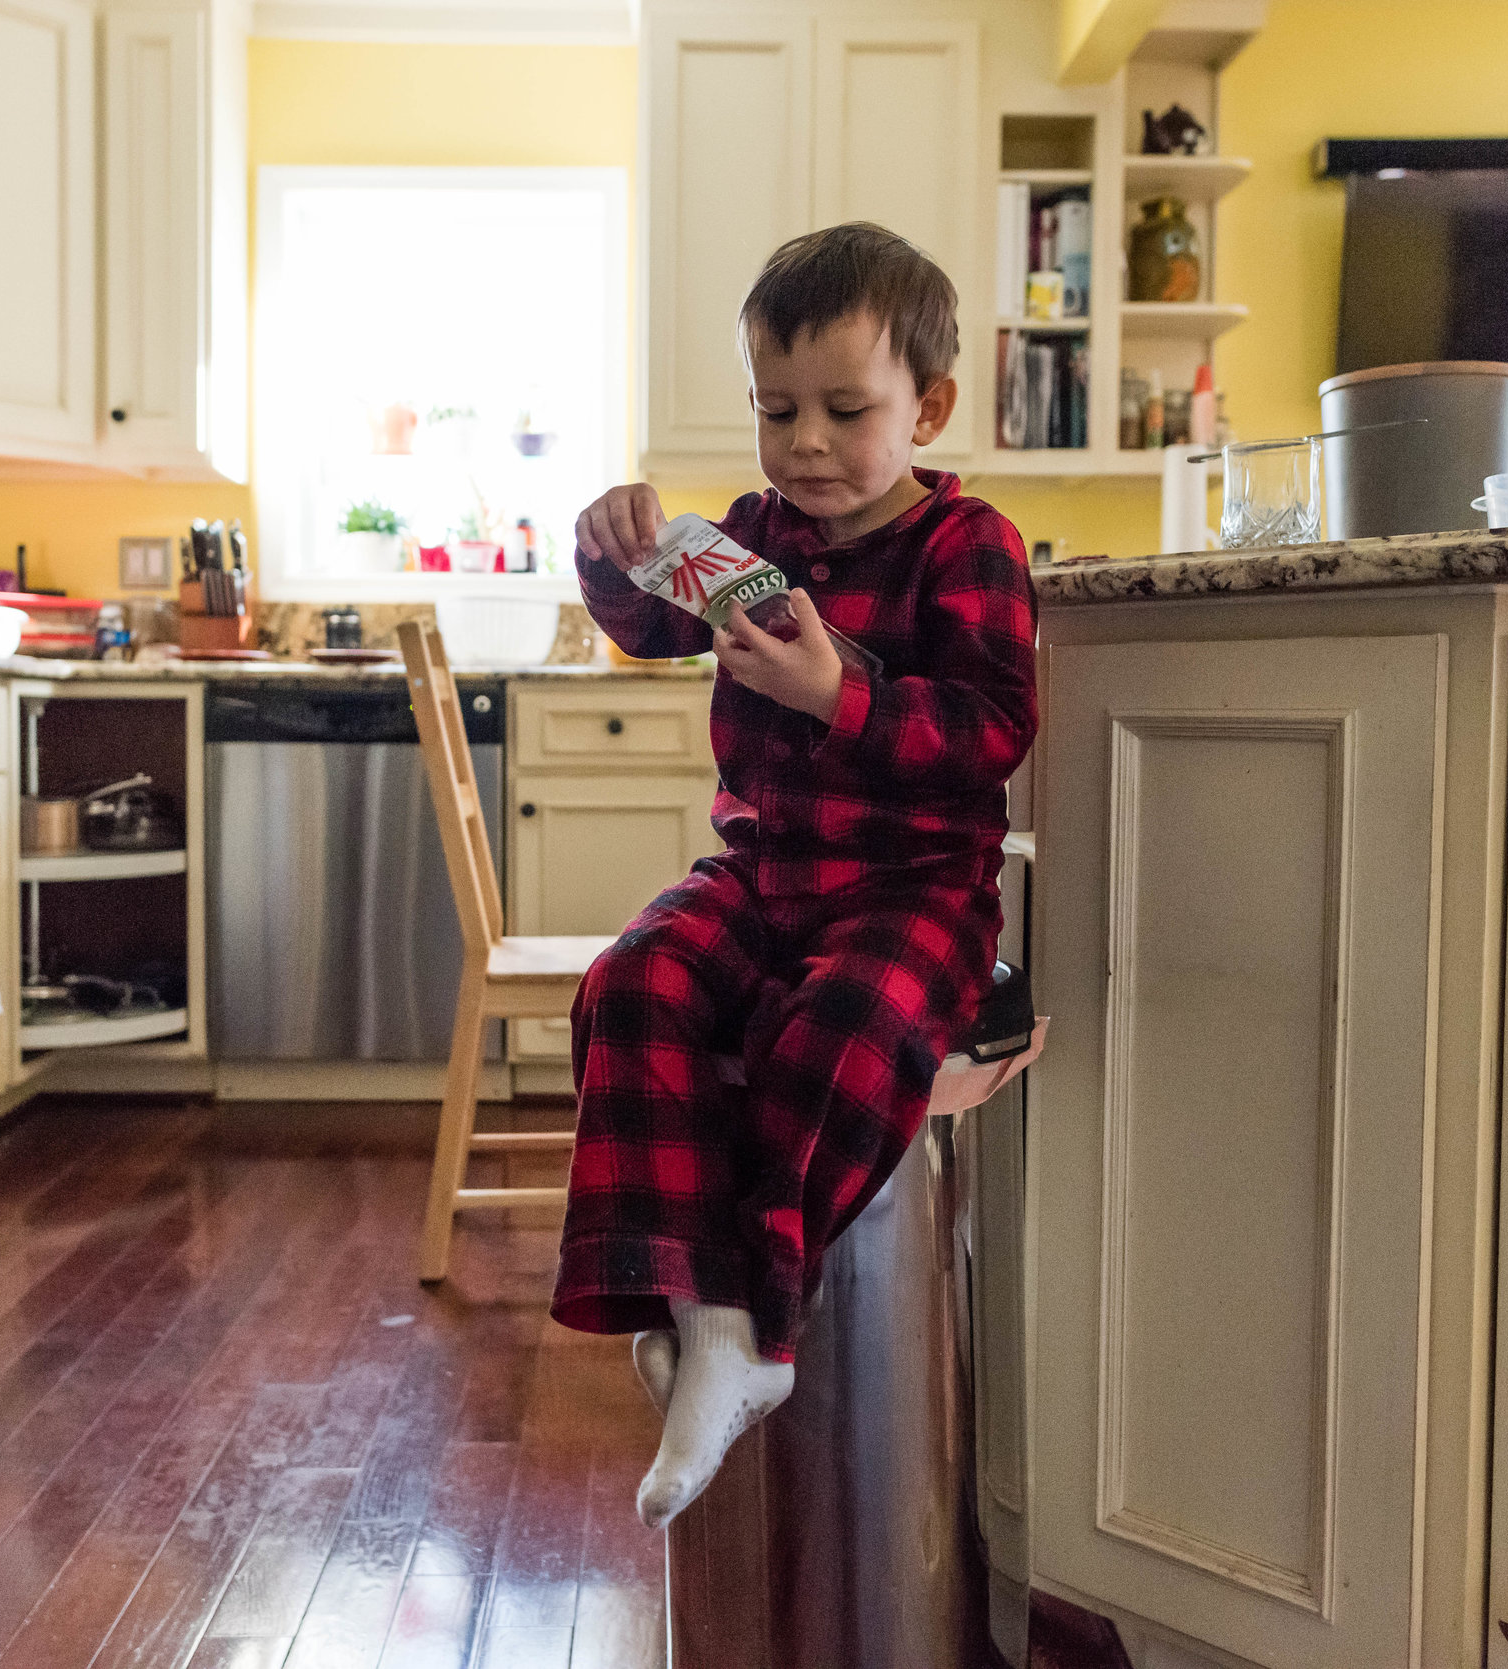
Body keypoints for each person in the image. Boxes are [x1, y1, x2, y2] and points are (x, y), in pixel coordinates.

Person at [557, 221, 1038, 1528]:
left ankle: (750, 1328)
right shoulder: (752, 533)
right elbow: (651, 620)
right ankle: (701, 1312)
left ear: (928, 406)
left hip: (915, 895)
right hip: (763, 876)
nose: (804, 441)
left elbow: (993, 729)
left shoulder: (967, 546)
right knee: (631, 983)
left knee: (840, 1028)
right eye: (776, 409)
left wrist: (844, 694)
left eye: (843, 409)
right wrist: (609, 549)